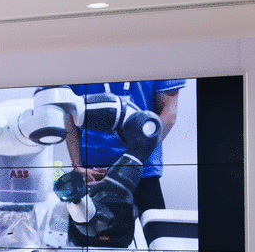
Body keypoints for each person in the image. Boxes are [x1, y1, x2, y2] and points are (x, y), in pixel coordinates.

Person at [63, 80, 184, 216]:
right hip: (92, 172)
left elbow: (169, 113)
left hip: (141, 170)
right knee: (90, 228)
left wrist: (131, 161)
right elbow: (70, 116)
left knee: (153, 227)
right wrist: (78, 166)